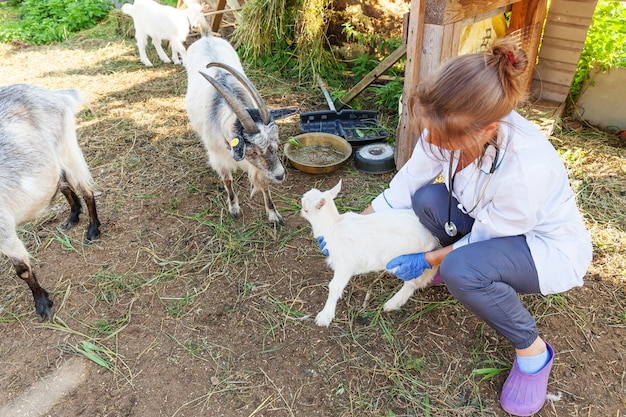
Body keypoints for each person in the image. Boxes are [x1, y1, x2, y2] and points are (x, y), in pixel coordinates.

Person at [321, 37, 592, 416]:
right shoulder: (447, 121)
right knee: (426, 201)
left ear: (487, 130)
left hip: (538, 246)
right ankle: (452, 269)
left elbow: (487, 237)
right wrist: (352, 227)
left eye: (443, 139)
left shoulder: (527, 170)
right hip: (487, 222)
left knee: (461, 268)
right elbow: (408, 183)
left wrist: (429, 258)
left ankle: (532, 353)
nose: (431, 141)